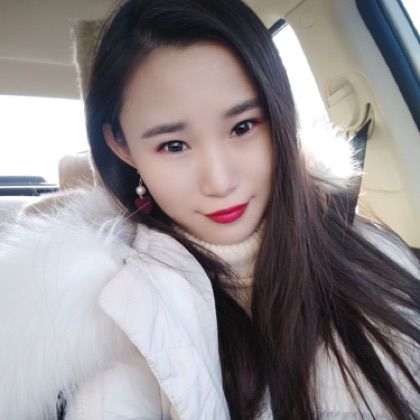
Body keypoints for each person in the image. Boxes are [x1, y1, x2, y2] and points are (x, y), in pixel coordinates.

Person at [1, 0, 419, 419]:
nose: (219, 182)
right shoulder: (102, 324)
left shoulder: (379, 255)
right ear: (121, 146)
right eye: (173, 145)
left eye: (242, 127)